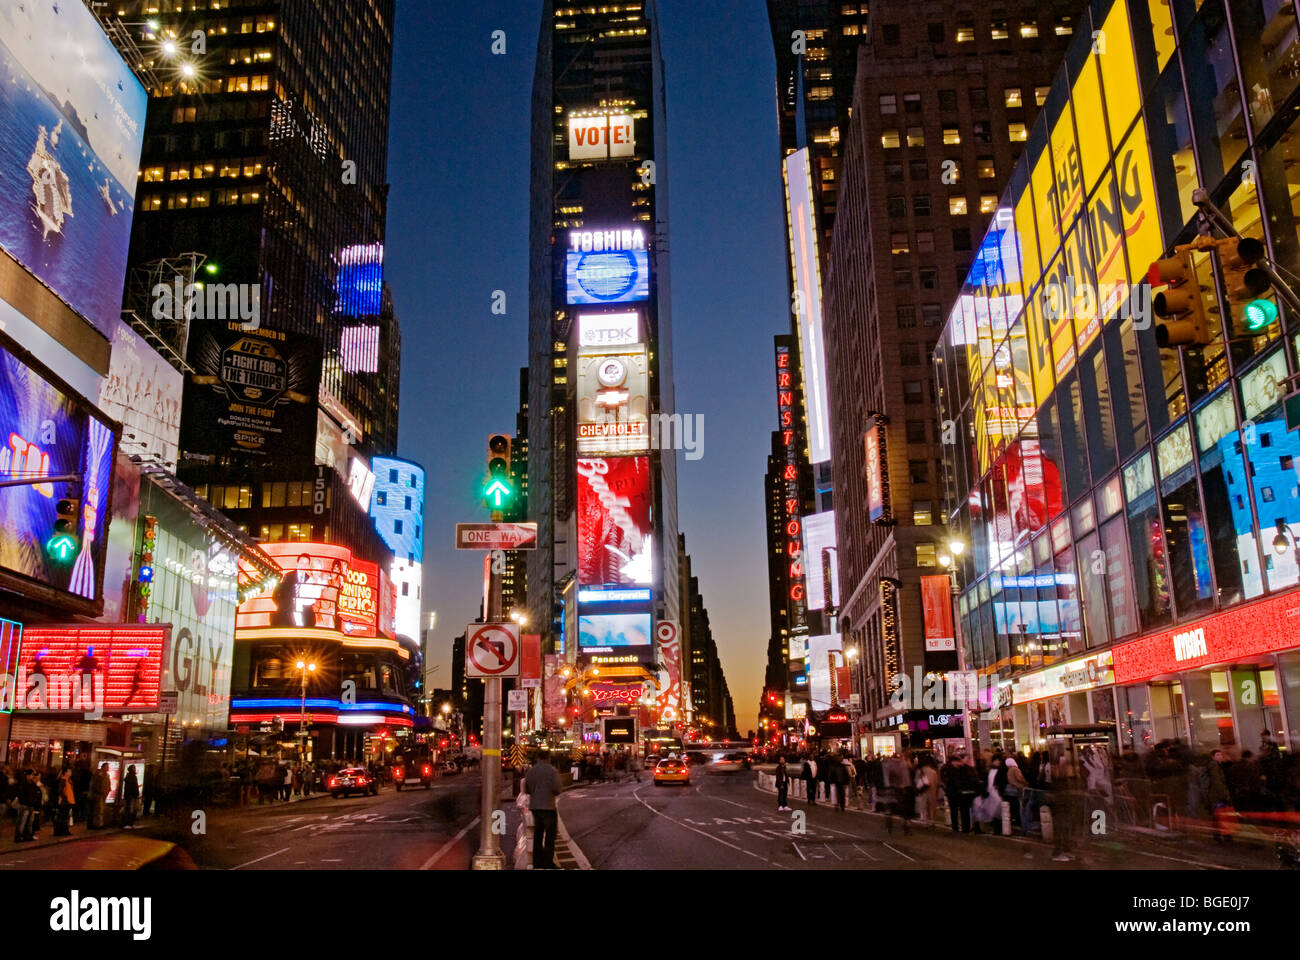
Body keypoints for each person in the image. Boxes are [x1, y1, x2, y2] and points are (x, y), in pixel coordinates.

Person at [524, 750, 563, 869]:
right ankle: (548, 863)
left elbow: (527, 789)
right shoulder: (552, 771)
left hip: (535, 807)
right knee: (550, 836)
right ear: (548, 758)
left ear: (538, 758)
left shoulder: (531, 771)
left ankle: (537, 862)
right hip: (548, 807)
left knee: (538, 834)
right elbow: (557, 789)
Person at [13, 770, 40, 842]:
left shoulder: (31, 784)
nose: (32, 777)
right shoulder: (23, 784)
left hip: (30, 805)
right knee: (22, 821)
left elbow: (35, 792)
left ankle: (27, 835)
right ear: (27, 775)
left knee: (29, 822)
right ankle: (19, 836)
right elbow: (21, 794)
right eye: (31, 775)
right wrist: (26, 801)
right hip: (24, 805)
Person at [53, 768, 75, 836]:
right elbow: (61, 791)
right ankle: (61, 831)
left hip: (68, 801)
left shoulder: (68, 781)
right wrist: (65, 799)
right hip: (64, 802)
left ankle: (63, 830)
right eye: (69, 771)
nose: (71, 772)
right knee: (63, 817)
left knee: (65, 817)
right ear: (65, 773)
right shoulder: (63, 781)